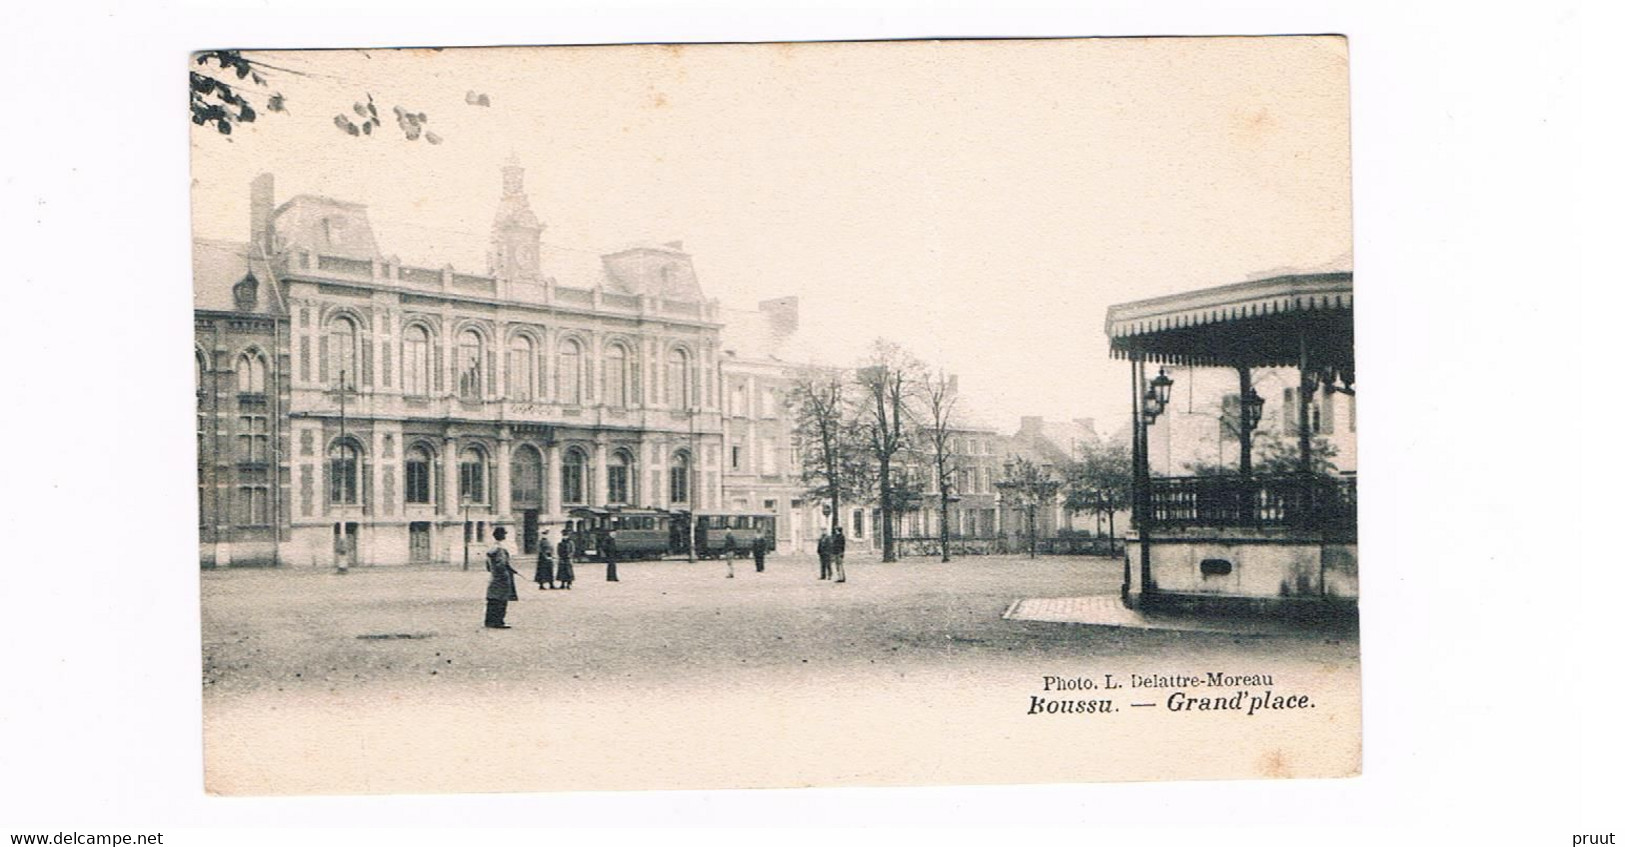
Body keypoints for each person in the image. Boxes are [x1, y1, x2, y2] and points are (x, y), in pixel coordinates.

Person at [484, 527, 519, 628]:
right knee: (501, 600)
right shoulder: (501, 548)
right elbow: (502, 563)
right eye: (504, 534)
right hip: (502, 578)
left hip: (493, 577)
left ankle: (489, 621)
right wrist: (508, 570)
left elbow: (487, 565)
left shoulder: (491, 547)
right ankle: (498, 621)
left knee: (492, 599)